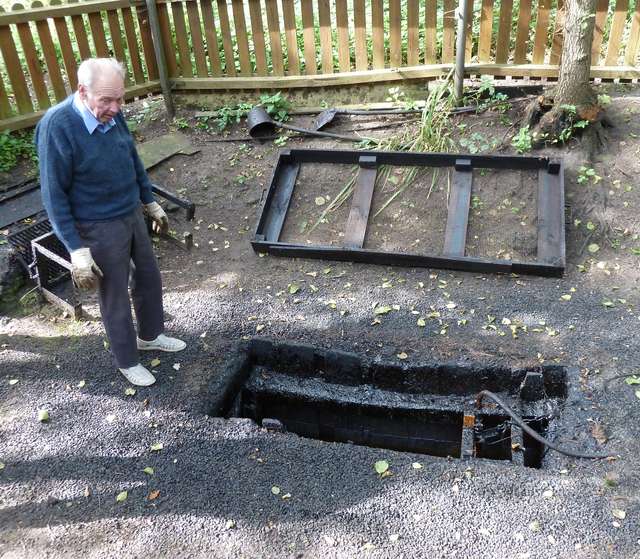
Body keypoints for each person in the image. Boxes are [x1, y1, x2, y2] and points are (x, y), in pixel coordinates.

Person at [35, 57, 186, 387]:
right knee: (114, 294)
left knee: (148, 277)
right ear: (82, 91)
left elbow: (131, 156)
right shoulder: (56, 126)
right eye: (107, 100)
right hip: (97, 226)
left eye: (120, 98)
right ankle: (127, 359)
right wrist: (76, 249)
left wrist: (149, 201)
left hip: (130, 211)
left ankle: (150, 335)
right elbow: (53, 196)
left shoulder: (112, 112)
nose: (117, 108)